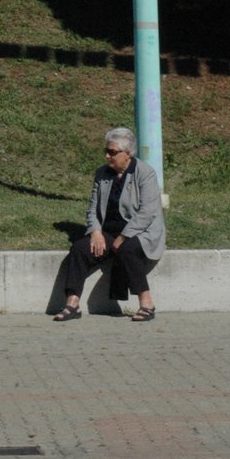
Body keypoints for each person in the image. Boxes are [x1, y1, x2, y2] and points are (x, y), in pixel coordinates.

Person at [53, 127, 166, 323]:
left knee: (127, 249)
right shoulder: (102, 174)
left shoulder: (145, 174)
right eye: (106, 151)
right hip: (109, 231)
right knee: (79, 249)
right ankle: (72, 303)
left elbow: (147, 212)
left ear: (127, 154)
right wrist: (95, 232)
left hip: (141, 232)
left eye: (112, 152)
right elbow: (93, 208)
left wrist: (123, 237)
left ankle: (147, 304)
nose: (107, 156)